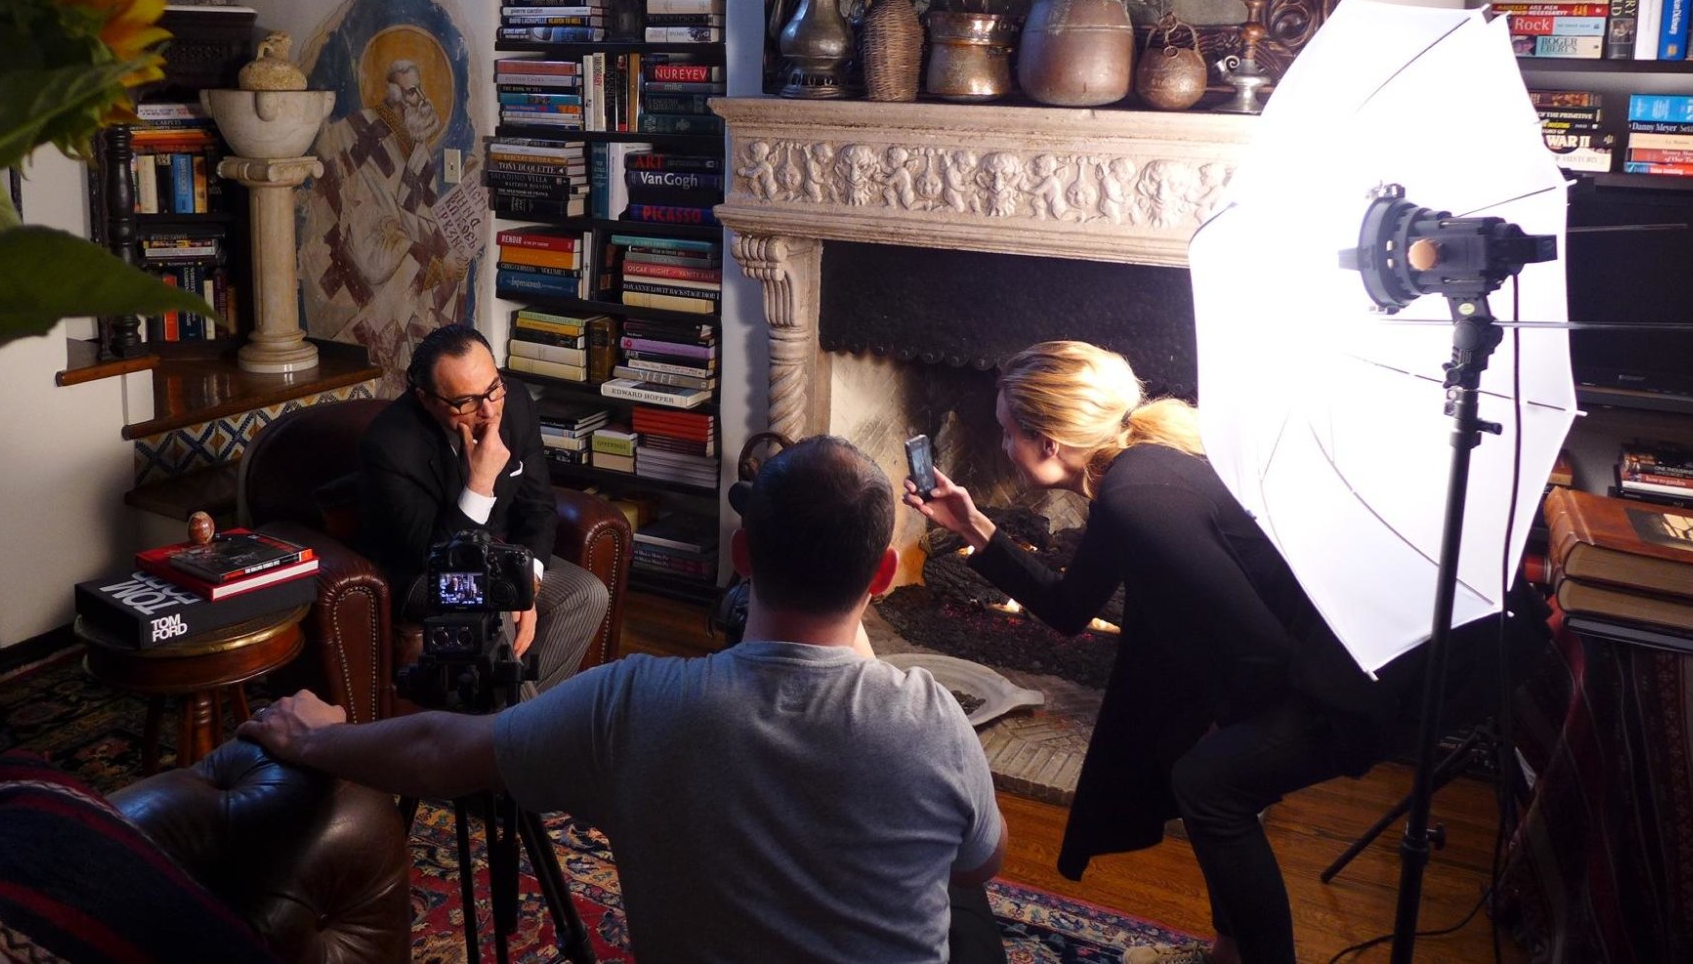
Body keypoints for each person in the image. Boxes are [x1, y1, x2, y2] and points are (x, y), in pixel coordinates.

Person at [243, 435, 1009, 963]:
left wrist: (311, 736)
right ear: (882, 577)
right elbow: (983, 863)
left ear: (742, 556)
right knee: (960, 898)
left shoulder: (633, 703)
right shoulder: (934, 720)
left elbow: (440, 749)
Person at [904, 340, 1528, 964]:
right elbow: (1070, 609)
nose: (1004, 446)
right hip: (1328, 648)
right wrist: (972, 526)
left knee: (1209, 783)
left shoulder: (1138, 496)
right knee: (1204, 769)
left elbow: (1261, 654)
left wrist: (1219, 723)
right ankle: (1228, 950)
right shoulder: (1132, 476)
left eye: (1008, 432)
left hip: (1388, 665)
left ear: (1048, 442)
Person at [354, 323, 607, 694]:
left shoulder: (514, 402)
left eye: (493, 388)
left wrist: (528, 582)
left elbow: (538, 506)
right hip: (422, 574)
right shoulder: (390, 444)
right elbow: (430, 557)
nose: (489, 410)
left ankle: (527, 716)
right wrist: (480, 483)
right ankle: (516, 725)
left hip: (499, 555)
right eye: (467, 402)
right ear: (427, 399)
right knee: (493, 600)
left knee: (586, 594)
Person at [300, 54, 469, 385]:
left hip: (391, 251)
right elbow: (368, 239)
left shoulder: (414, 145)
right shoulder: (356, 136)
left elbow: (421, 215)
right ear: (393, 94)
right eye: (411, 92)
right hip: (351, 265)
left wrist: (445, 254)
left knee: (455, 271)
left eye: (420, 89)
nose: (422, 99)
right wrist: (431, 263)